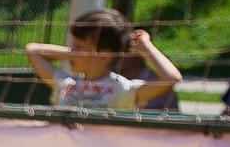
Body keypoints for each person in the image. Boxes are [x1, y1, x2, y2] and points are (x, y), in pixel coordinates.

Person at [26, 8, 179, 110]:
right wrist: (76, 52)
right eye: (73, 45)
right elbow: (32, 50)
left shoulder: (120, 89)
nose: (72, 50)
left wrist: (145, 47)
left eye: (79, 45)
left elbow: (171, 79)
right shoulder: (66, 84)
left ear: (104, 55)